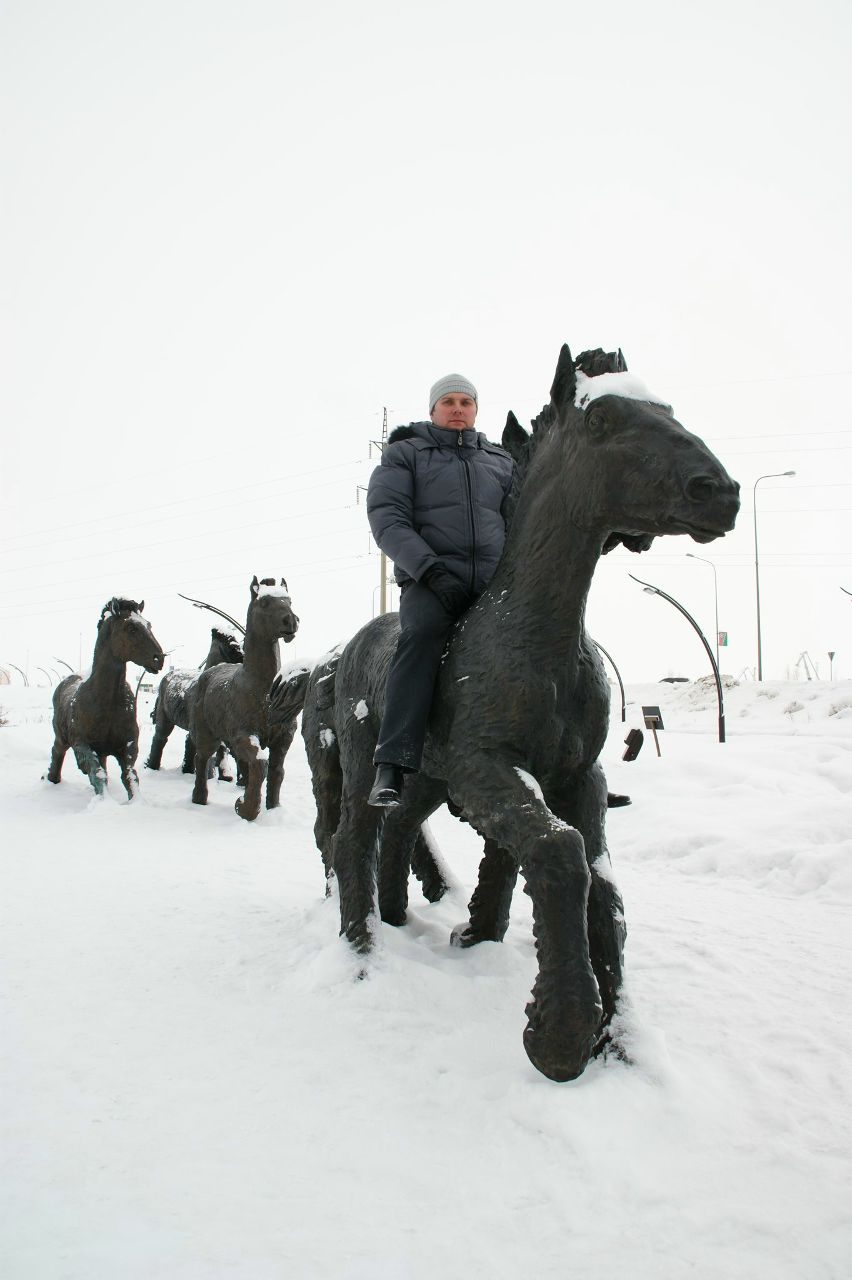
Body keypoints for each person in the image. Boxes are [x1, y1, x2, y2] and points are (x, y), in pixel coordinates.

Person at [365, 373, 515, 806]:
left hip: (490, 585)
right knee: (422, 637)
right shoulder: (405, 456)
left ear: (475, 410)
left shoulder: (500, 461)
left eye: (465, 402)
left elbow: (520, 522)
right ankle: (393, 762)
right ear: (432, 410)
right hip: (431, 581)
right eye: (447, 401)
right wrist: (430, 572)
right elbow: (387, 520)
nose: (457, 409)